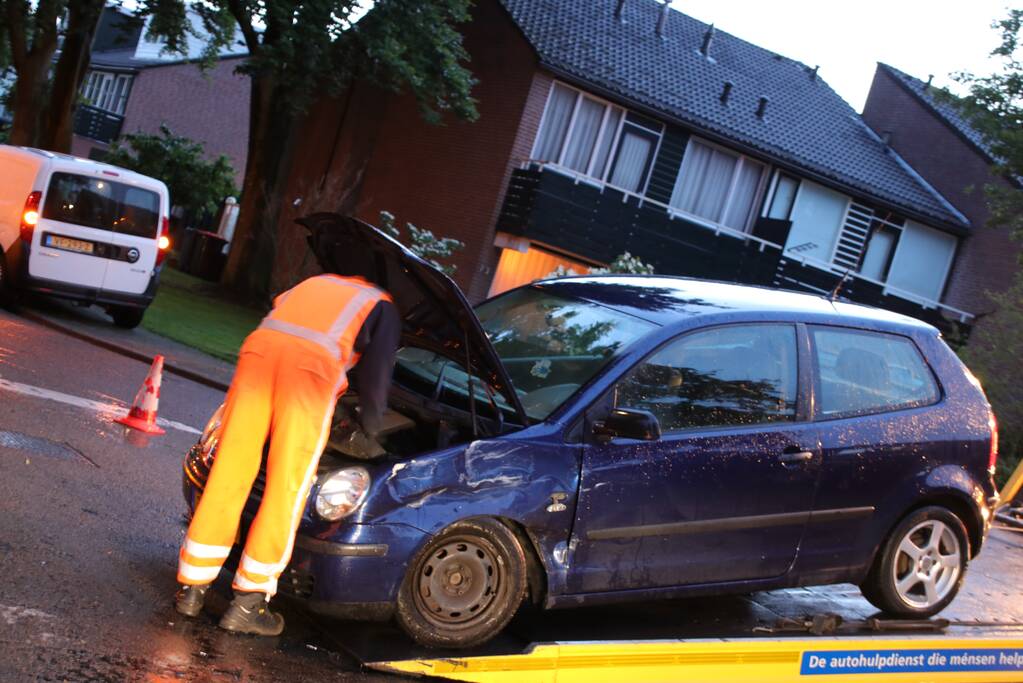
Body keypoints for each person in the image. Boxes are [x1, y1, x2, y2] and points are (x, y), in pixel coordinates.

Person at [173, 230, 401, 636]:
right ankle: (249, 603)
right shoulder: (381, 305)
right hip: (308, 377)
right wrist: (370, 431)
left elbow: (280, 321)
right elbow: (376, 379)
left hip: (256, 357)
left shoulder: (312, 285)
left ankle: (192, 588)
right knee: (286, 487)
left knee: (231, 469)